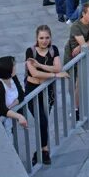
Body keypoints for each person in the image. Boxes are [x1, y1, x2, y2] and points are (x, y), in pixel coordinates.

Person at [24, 25, 67, 165]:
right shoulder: (30, 51)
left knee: (44, 121)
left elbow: (58, 67)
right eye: (41, 38)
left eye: (47, 38)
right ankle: (43, 150)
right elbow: (34, 73)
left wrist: (41, 65)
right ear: (36, 38)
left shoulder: (53, 49)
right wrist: (54, 74)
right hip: (32, 90)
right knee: (41, 120)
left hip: (48, 91)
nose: (44, 41)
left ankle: (43, 150)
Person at [0, 56, 29, 132]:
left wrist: (14, 104)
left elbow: (21, 94)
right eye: (13, 65)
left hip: (10, 121)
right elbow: (1, 110)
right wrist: (19, 116)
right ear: (7, 70)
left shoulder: (12, 77)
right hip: (2, 125)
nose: (15, 67)